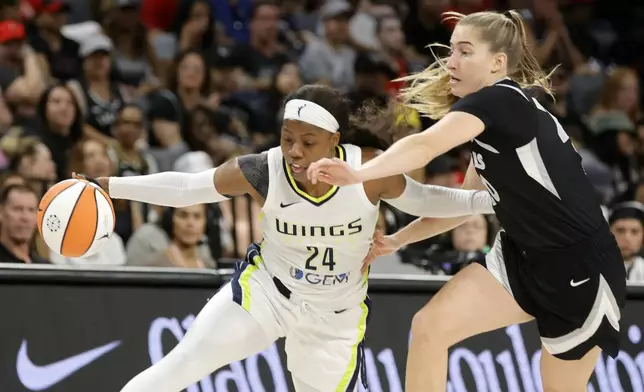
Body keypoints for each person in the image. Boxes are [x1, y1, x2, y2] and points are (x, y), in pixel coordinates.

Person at [75, 84, 494, 392]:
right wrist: (109, 185)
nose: (294, 151)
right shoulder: (263, 169)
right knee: (178, 367)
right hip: (267, 294)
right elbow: (188, 187)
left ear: (335, 141)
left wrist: (488, 201)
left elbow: (429, 200)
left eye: (308, 143)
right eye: (287, 138)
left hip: (333, 316)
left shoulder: (367, 174)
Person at [307, 10, 626, 392]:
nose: (450, 62)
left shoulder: (501, 100)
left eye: (465, 52)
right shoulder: (492, 122)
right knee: (430, 327)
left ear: (497, 63)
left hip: (580, 268)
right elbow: (467, 203)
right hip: (523, 256)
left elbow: (424, 145)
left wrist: (358, 174)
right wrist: (398, 240)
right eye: (451, 50)